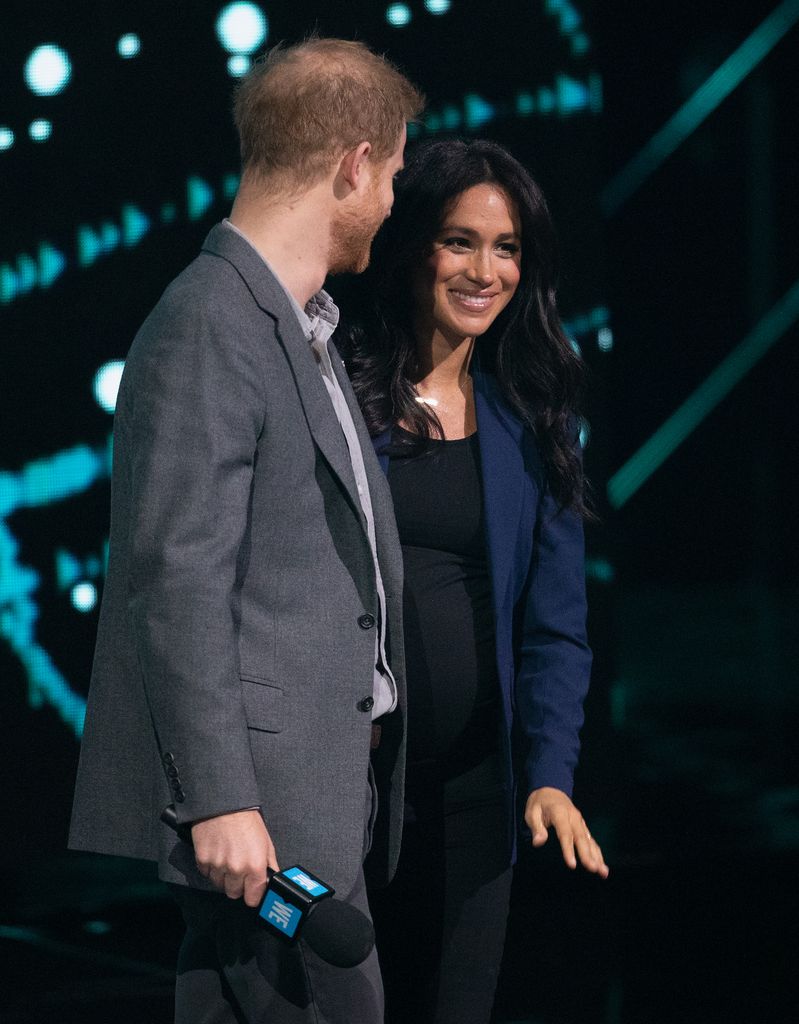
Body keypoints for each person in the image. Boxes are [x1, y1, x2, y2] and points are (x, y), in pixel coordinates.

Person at [68, 38, 423, 1024]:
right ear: (353, 162)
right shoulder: (209, 324)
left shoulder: (289, 321)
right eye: (392, 172)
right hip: (263, 811)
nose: (393, 200)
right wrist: (221, 798)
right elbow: (175, 575)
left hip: (308, 787)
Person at [339, 138, 609, 1024]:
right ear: (414, 244)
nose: (484, 270)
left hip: (474, 800)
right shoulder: (338, 398)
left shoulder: (534, 424)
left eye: (506, 248)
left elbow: (555, 631)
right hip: (351, 796)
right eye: (460, 241)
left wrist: (550, 776)